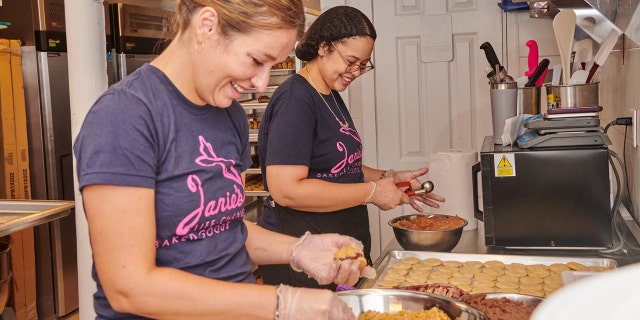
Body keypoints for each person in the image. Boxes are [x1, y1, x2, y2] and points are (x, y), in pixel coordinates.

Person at [73, 1, 373, 319]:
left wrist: (299, 249)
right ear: (207, 26)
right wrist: (281, 303)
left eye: (272, 66)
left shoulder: (228, 113)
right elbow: (129, 288)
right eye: (257, 60)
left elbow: (222, 231)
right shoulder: (126, 116)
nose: (261, 83)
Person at [256, 6, 446, 290]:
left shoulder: (329, 93)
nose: (355, 72)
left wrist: (388, 177)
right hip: (305, 256)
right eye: (351, 61)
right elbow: (286, 190)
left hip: (339, 253)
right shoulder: (295, 101)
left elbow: (338, 167)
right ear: (323, 47)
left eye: (363, 65)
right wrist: (372, 193)